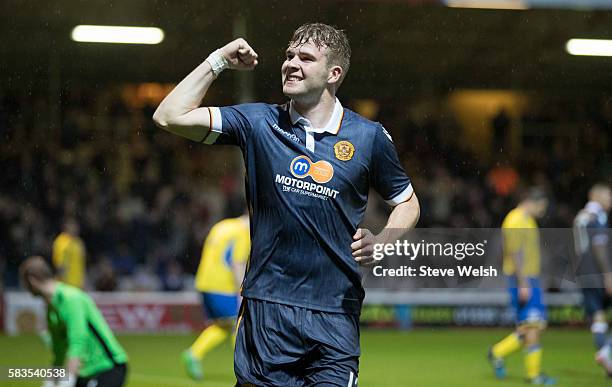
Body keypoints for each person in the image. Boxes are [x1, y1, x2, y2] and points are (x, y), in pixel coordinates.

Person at [154, 23, 419, 386]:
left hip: (334, 313)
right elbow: (169, 116)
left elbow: (407, 202)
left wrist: (383, 241)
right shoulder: (258, 122)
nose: (292, 63)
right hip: (267, 310)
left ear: (333, 74)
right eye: (289, 55)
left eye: (306, 58)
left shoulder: (368, 137)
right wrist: (217, 61)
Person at [20, 256, 128, 387]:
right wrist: (50, 382)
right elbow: (59, 352)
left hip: (108, 367)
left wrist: (67, 381)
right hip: (85, 372)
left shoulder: (71, 299)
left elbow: (77, 342)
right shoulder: (51, 310)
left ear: (32, 281)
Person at [488, 187, 555, 385]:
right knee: (533, 326)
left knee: (532, 326)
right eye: (542, 207)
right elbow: (515, 253)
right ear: (532, 201)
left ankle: (497, 352)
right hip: (521, 279)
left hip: (529, 278)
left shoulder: (528, 220)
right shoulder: (515, 220)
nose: (542, 211)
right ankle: (534, 375)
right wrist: (523, 283)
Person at [182, 213, 250, 380]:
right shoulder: (243, 232)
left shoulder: (222, 225)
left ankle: (194, 353)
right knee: (238, 324)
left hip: (204, 282)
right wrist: (241, 289)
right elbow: (237, 263)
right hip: (223, 286)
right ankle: (244, 368)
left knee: (223, 325)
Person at [573, 183, 612, 375]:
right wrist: (608, 274)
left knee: (597, 317)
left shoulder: (581, 216)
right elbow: (599, 247)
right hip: (597, 272)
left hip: (583, 274)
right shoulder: (597, 217)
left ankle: (606, 358)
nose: (610, 200)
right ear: (595, 196)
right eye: (607, 196)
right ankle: (608, 351)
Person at [52, 218, 86, 289]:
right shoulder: (61, 242)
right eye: (72, 225)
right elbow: (60, 265)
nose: (76, 228)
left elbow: (82, 263)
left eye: (76, 225)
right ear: (65, 226)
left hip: (77, 284)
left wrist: (83, 280)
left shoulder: (78, 242)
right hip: (66, 285)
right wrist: (63, 284)